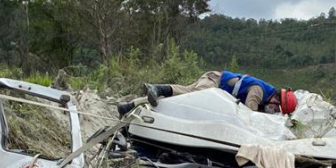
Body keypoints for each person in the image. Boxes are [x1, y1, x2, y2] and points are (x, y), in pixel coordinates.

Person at [117, 71, 298, 117]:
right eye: (277, 107)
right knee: (189, 95)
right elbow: (249, 115)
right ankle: (158, 88)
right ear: (276, 98)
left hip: (215, 83)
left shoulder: (265, 93)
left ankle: (129, 106)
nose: (274, 109)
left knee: (176, 101)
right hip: (214, 81)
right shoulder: (259, 91)